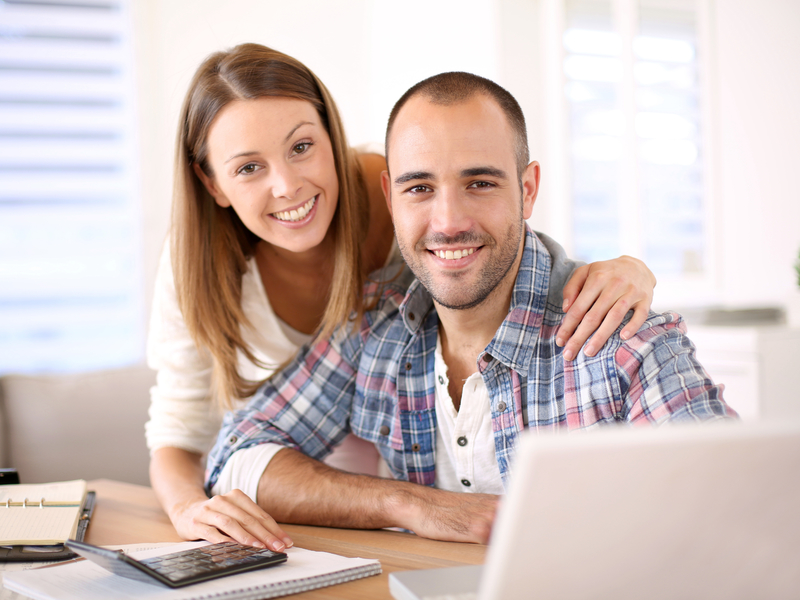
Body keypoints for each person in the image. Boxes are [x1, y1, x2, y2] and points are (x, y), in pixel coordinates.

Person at [146, 44, 658, 552]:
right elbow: (191, 432)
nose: (287, 186)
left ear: (331, 136)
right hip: (316, 476)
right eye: (248, 168)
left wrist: (624, 269)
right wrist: (189, 507)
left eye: (301, 147)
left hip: (386, 457)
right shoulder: (207, 263)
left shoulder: (407, 209)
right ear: (212, 183)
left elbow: (498, 246)